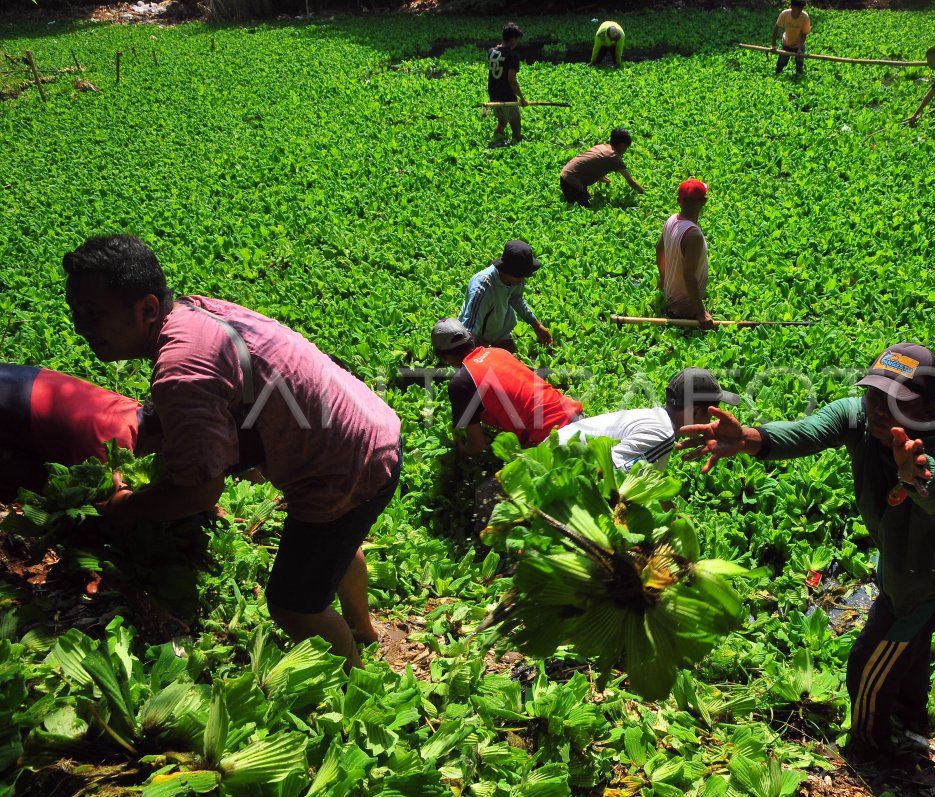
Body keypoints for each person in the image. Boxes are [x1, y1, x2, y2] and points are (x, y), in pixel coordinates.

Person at [61, 235, 401, 670]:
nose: (81, 327)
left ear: (147, 308)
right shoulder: (192, 310)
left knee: (293, 606)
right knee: (337, 543)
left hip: (345, 469)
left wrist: (125, 507)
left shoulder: (181, 370)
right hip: (373, 427)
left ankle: (359, 677)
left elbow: (198, 493)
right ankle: (365, 632)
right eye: (76, 313)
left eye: (93, 314)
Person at [677, 343, 935, 759]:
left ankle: (870, 747)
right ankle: (912, 720)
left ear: (927, 408)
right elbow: (806, 432)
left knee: (868, 663)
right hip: (898, 563)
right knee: (910, 649)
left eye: (895, 402)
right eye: (874, 394)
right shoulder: (858, 416)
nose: (877, 409)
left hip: (932, 579)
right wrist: (749, 438)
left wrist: (919, 477)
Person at [0, 363, 153, 501]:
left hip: (22, 378)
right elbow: (97, 501)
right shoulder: (112, 446)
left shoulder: (133, 408)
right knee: (47, 485)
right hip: (13, 406)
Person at [432, 319, 582, 457]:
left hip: (552, 440)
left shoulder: (461, 383)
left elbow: (478, 446)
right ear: (471, 339)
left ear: (444, 357)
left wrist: (459, 449)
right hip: (577, 417)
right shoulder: (499, 352)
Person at [557, 368, 739, 472]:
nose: (712, 422)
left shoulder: (657, 418)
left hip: (556, 454)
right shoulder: (663, 435)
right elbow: (609, 474)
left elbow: (648, 478)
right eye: (710, 414)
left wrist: (672, 515)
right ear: (696, 411)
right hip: (554, 468)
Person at [458, 240, 553, 352]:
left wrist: (536, 325)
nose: (523, 279)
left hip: (500, 333)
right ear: (508, 271)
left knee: (513, 363)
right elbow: (470, 326)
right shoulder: (482, 287)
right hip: (477, 337)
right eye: (521, 276)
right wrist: (470, 353)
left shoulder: (514, 280)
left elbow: (517, 300)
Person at [657, 178, 714, 330]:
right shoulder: (693, 235)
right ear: (704, 202)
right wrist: (701, 312)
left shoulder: (671, 220)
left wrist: (663, 278)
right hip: (686, 306)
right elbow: (689, 275)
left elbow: (659, 249)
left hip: (670, 295)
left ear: (678, 201)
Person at [559, 128, 645, 208]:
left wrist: (600, 177)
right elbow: (631, 182)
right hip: (571, 183)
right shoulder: (614, 157)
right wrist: (644, 192)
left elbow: (590, 164)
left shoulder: (602, 147)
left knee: (588, 198)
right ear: (622, 145)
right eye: (626, 147)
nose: (625, 150)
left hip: (565, 175)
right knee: (586, 209)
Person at [488, 22, 528, 145]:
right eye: (517, 39)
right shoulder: (513, 55)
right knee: (516, 129)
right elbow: (511, 79)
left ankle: (496, 144)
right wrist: (522, 98)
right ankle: (515, 148)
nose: (517, 43)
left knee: (501, 123)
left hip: (494, 95)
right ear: (512, 39)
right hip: (507, 97)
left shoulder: (491, 51)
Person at [771, 0, 811, 76]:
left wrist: (799, 48)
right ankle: (777, 73)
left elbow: (804, 33)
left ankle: (798, 74)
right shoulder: (785, 14)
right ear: (791, 7)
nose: (798, 12)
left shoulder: (805, 17)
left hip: (799, 43)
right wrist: (773, 45)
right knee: (781, 62)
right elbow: (777, 27)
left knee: (800, 61)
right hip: (786, 42)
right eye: (796, 9)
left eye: (800, 10)